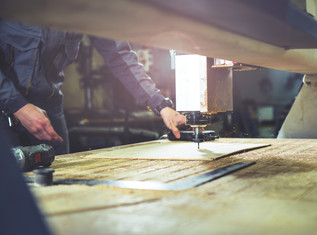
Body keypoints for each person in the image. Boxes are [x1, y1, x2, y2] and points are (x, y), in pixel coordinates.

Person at [0, 19, 185, 154]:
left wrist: (161, 105)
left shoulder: (89, 8)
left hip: (48, 105)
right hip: (4, 101)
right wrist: (18, 106)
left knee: (61, 179)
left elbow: (120, 56)